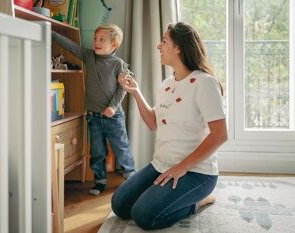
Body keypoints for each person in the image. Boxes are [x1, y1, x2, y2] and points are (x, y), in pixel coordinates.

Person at [112, 22, 228, 230]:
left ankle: (197, 202)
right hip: (160, 165)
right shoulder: (167, 84)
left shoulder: (205, 83)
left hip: (196, 172)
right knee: (120, 205)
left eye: (164, 41)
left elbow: (219, 135)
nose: (158, 46)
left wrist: (181, 167)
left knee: (143, 215)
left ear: (179, 47)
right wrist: (136, 92)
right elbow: (154, 123)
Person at [52, 23, 135, 196]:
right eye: (95, 39)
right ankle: (100, 181)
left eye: (101, 40)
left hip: (113, 116)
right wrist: (51, 33)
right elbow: (71, 46)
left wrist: (112, 107)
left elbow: (123, 88)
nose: (96, 42)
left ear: (114, 45)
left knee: (121, 148)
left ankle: (130, 178)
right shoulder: (89, 57)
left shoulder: (119, 64)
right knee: (97, 151)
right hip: (93, 116)